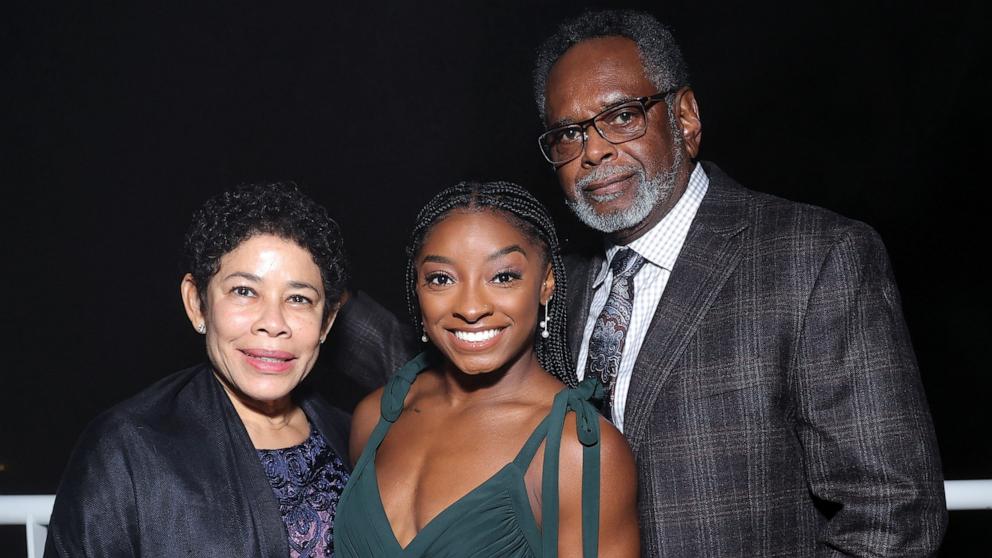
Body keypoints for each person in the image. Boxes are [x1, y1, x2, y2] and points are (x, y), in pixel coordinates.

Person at [326, 9, 947, 557]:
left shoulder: (811, 257)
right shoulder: (555, 283)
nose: (593, 151)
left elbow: (893, 512)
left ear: (685, 117)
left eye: (620, 116)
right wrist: (309, 300)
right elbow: (444, 367)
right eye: (569, 133)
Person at [333, 181, 639, 557]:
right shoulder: (374, 418)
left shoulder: (578, 451)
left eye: (503, 276)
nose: (472, 307)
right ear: (417, 289)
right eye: (441, 279)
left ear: (546, 284)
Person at [45, 183, 352, 557]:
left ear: (326, 322)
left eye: (298, 298)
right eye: (244, 291)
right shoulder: (127, 449)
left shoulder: (353, 438)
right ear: (197, 303)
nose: (273, 322)